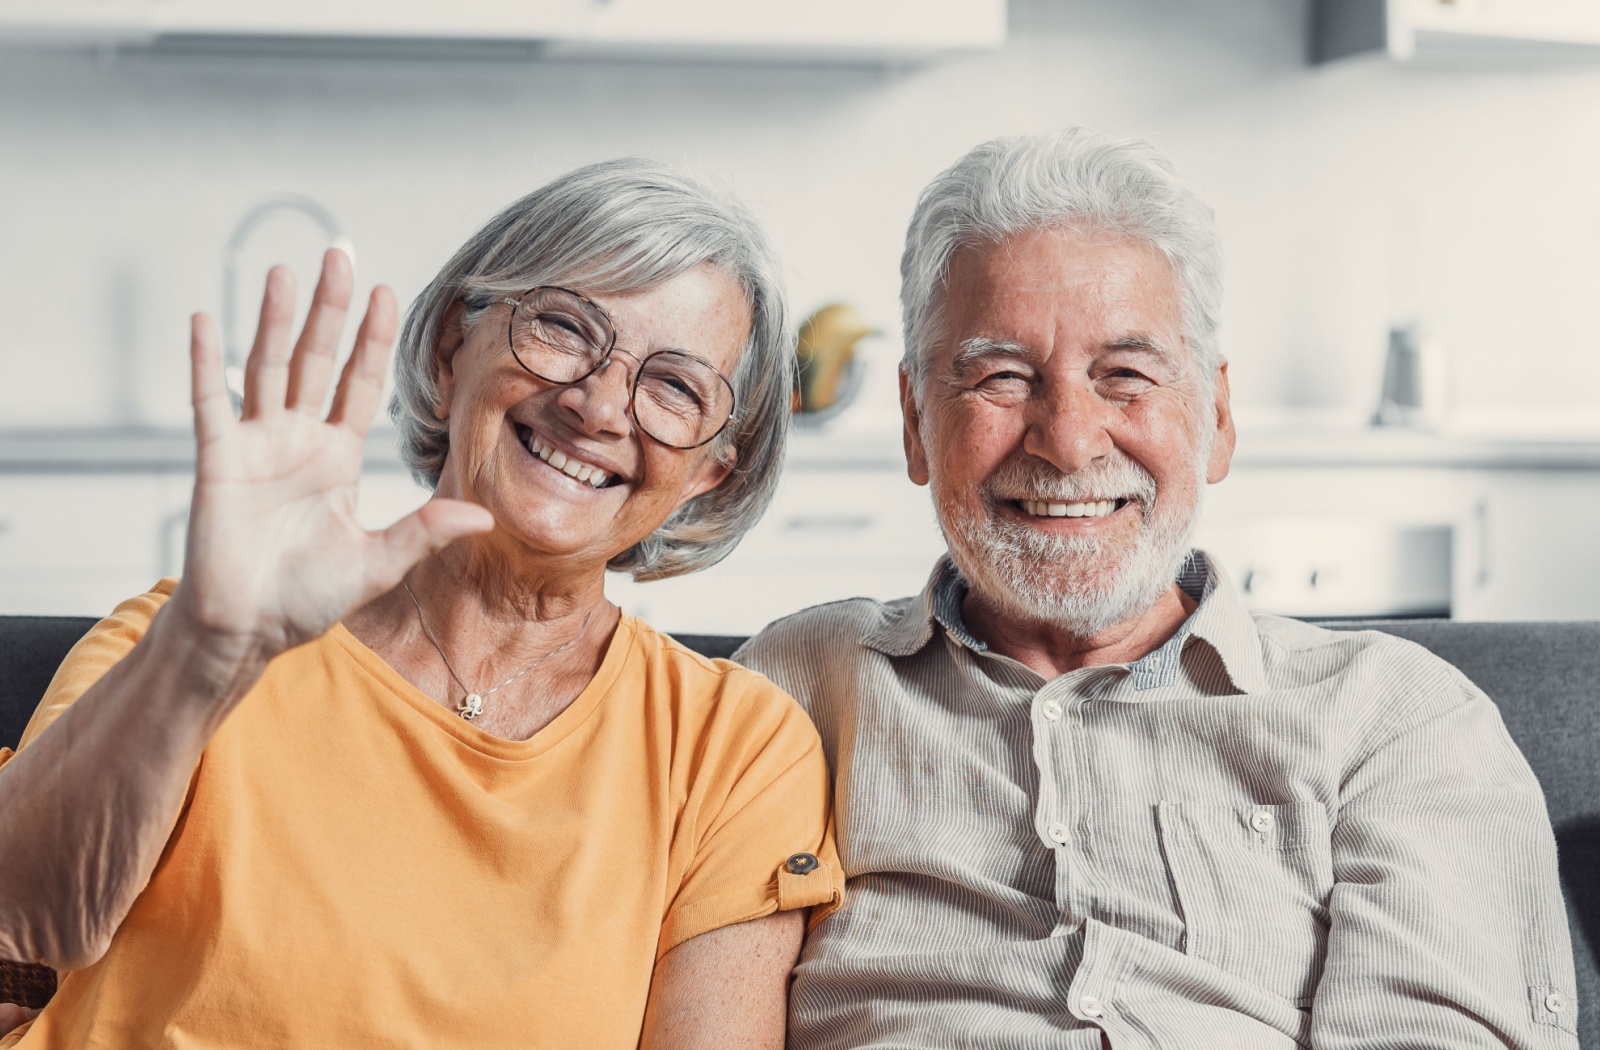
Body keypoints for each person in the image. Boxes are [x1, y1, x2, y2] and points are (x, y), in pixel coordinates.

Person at [735, 129, 1580, 1049]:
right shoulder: (792, 694)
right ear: (913, 423)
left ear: (1215, 419)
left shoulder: (1397, 721)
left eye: (1124, 376)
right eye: (1002, 377)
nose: (1068, 440)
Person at [0, 159, 842, 1049]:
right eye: (564, 327)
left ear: (711, 470)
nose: (598, 406)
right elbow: (19, 925)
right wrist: (203, 651)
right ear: (452, 349)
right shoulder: (182, 640)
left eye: (675, 387)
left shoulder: (733, 749)